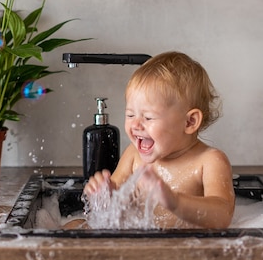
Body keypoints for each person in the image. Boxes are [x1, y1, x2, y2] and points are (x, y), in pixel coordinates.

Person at [84, 51, 235, 229]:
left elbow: (223, 216)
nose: (136, 124)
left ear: (189, 122)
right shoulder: (133, 156)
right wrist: (104, 194)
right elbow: (113, 208)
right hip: (135, 244)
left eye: (148, 118)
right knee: (74, 226)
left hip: (183, 250)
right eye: (130, 114)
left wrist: (175, 202)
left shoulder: (209, 161)